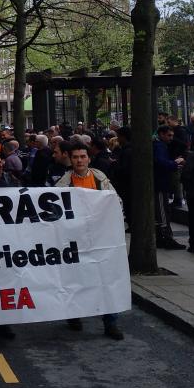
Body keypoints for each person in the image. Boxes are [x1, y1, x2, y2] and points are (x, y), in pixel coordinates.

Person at [54, 141, 124, 340]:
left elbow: (115, 201)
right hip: (75, 241)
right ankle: (74, 314)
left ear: (89, 158)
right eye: (75, 157)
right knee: (76, 280)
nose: (79, 160)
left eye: (83, 156)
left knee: (106, 280)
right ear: (71, 159)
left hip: (100, 238)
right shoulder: (63, 183)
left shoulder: (100, 179)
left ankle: (110, 322)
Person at [152, 126, 186, 249]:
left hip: (160, 183)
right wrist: (175, 163)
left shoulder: (159, 145)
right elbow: (160, 162)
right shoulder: (159, 146)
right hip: (160, 184)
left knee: (161, 211)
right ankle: (166, 238)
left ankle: (162, 237)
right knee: (162, 212)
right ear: (161, 134)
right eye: (169, 135)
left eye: (172, 135)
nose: (171, 138)